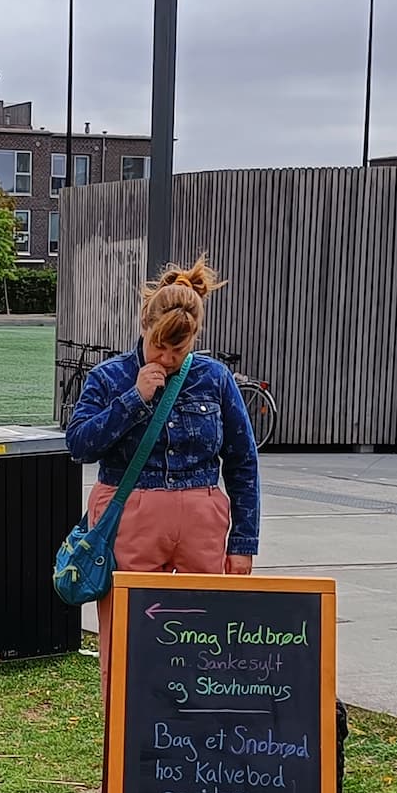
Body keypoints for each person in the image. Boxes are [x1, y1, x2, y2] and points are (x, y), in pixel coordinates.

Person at [66, 256, 260, 697]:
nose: (169, 359)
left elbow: (242, 461)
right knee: (128, 634)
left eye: (180, 349)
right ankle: (127, 738)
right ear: (144, 324)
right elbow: (79, 445)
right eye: (160, 347)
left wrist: (243, 544)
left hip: (201, 514)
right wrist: (133, 399)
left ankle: (199, 735)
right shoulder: (109, 377)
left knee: (210, 632)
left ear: (195, 337)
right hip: (130, 513)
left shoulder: (215, 378)